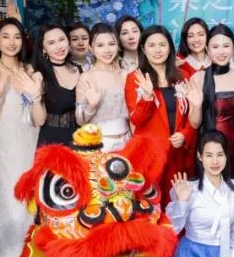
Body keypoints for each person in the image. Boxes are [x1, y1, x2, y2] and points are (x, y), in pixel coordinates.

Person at [0, 18, 45, 257]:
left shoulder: (31, 71)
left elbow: (39, 118)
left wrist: (34, 94)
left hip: (32, 143)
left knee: (34, 206)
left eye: (16, 36)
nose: (11, 42)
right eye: (5, 36)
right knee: (10, 205)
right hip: (6, 145)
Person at [125, 25, 202, 200]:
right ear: (143, 49)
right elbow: (136, 120)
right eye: (152, 45)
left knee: (179, 203)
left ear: (170, 48)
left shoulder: (183, 76)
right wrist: (146, 97)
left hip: (179, 153)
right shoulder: (135, 78)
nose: (158, 50)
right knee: (151, 204)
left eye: (162, 44)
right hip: (151, 155)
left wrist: (185, 134)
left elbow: (192, 114)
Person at [195, 24, 234, 179]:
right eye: (215, 47)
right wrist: (196, 105)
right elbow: (195, 124)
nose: (221, 51)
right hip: (210, 154)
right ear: (207, 49)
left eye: (226, 46)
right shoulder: (198, 78)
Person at [76, 23, 130, 151]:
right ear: (91, 48)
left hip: (127, 140)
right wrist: (91, 106)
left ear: (118, 45)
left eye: (111, 44)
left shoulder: (125, 75)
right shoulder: (87, 77)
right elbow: (80, 121)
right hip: (101, 143)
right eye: (100, 45)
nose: (107, 50)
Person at [34, 22, 81, 147]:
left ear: (68, 42)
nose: (59, 46)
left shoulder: (81, 70)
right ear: (44, 49)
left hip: (80, 138)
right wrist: (35, 96)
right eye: (51, 43)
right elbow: (39, 120)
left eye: (61, 40)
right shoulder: (39, 76)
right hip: (52, 141)